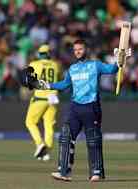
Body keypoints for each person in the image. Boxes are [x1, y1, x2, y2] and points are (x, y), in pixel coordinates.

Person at [36, 39, 131, 182]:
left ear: (86, 49)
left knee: (93, 140)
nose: (78, 52)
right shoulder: (72, 69)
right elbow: (64, 85)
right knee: (65, 136)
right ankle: (64, 172)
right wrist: (46, 85)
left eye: (80, 49)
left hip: (91, 106)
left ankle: (96, 172)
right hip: (75, 107)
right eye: (75, 50)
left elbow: (112, 70)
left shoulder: (95, 65)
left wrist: (120, 60)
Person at [24, 44, 62, 161]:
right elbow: (58, 77)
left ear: (39, 54)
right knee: (49, 125)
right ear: (49, 54)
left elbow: (28, 81)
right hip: (53, 98)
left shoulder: (34, 64)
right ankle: (46, 153)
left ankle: (40, 144)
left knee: (30, 122)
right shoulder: (56, 65)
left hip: (40, 97)